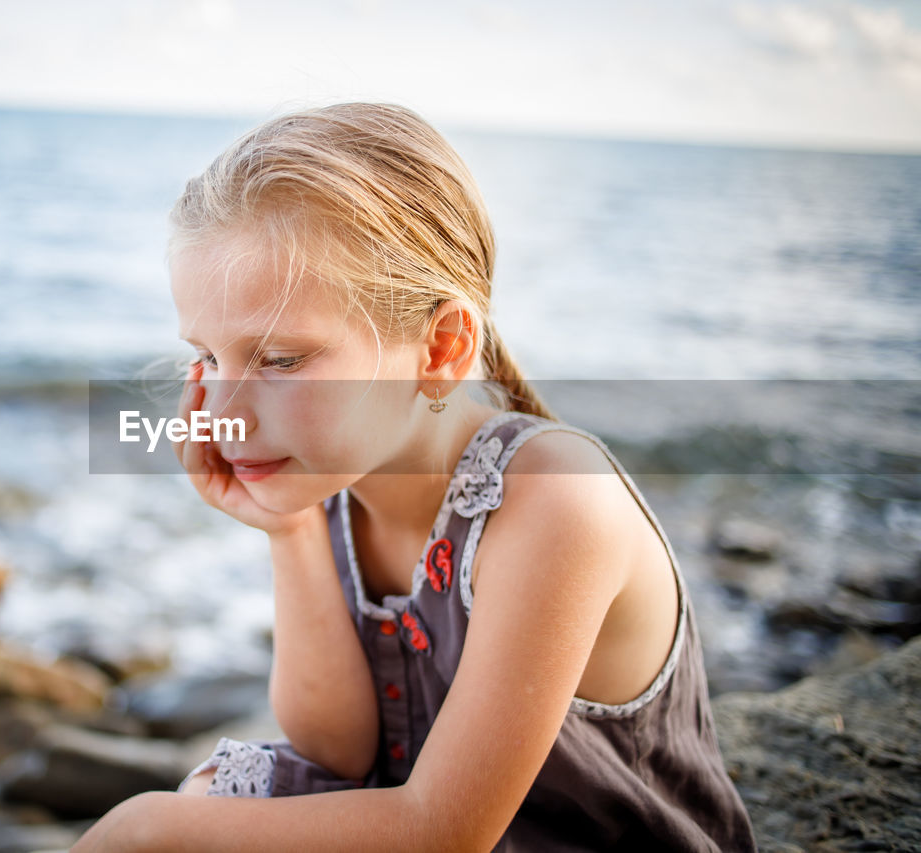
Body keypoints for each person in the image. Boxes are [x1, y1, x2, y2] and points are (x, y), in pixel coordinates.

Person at [73, 103, 757, 852]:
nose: (227, 406)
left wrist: (150, 824)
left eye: (280, 360)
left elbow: (444, 829)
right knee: (224, 790)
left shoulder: (556, 497)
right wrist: (289, 526)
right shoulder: (336, 475)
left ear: (439, 347)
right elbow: (339, 751)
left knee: (171, 825)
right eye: (208, 357)